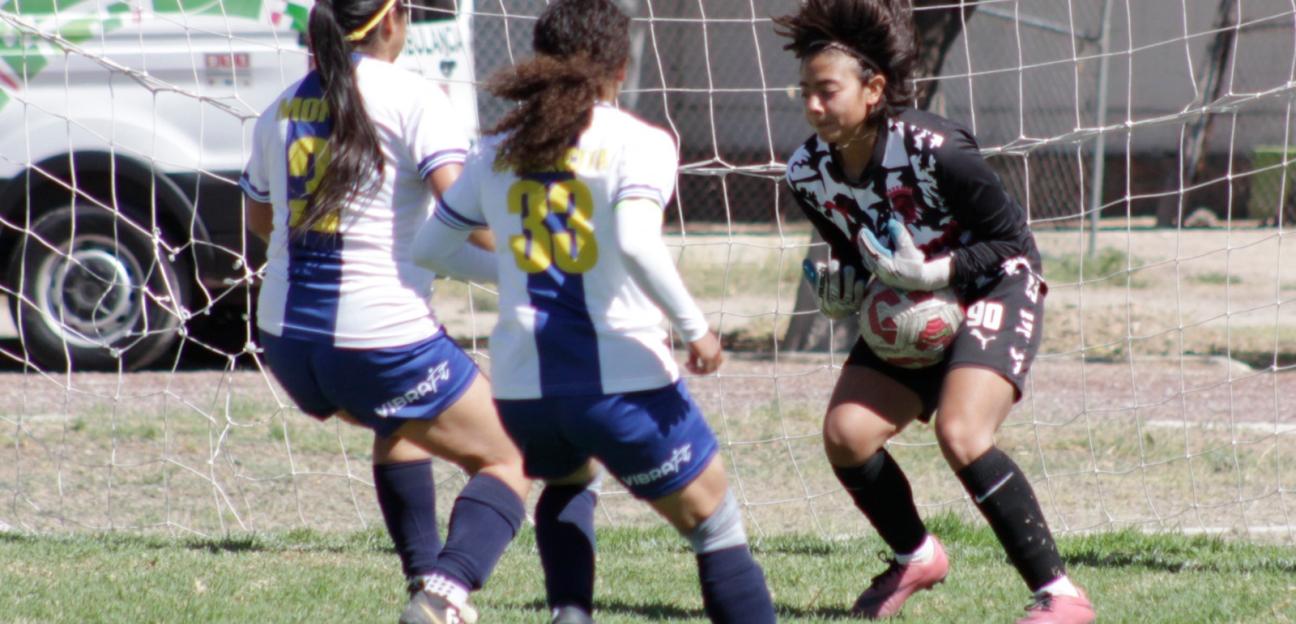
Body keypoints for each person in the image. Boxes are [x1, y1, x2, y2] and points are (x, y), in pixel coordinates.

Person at [412, 1, 778, 622]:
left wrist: (515, 273)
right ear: (620, 64)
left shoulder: (497, 146)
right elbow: (636, 240)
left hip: (525, 389)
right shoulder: (640, 141)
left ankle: (570, 615)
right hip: (620, 384)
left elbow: (430, 249)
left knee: (568, 483)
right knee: (716, 525)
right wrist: (698, 330)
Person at [774, 1, 1095, 623]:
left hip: (995, 287)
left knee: (962, 433)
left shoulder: (937, 147)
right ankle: (915, 555)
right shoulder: (806, 173)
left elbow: (1014, 242)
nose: (812, 106)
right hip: (914, 303)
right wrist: (843, 289)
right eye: (805, 92)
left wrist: (938, 272)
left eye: (827, 91)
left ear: (874, 89)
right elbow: (853, 251)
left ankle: (1061, 596)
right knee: (847, 435)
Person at [238, 0, 530, 622]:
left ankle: (423, 579)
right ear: (392, 18)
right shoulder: (411, 96)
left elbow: (261, 220)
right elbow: (466, 215)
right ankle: (446, 590)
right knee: (515, 452)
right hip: (377, 341)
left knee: (398, 422)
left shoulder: (281, 107)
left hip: (285, 343)